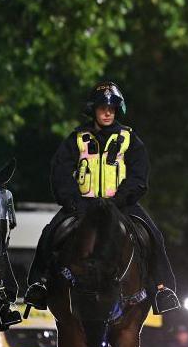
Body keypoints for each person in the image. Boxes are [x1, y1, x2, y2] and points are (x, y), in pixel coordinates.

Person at [23, 81, 179, 313]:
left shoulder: (129, 139)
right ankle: (40, 284)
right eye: (102, 107)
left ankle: (162, 289)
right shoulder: (76, 138)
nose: (107, 112)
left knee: (153, 235)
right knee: (50, 233)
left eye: (112, 108)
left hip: (121, 206)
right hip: (82, 205)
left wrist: (121, 199)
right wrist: (72, 200)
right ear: (93, 109)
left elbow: (139, 174)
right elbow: (61, 171)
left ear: (117, 111)